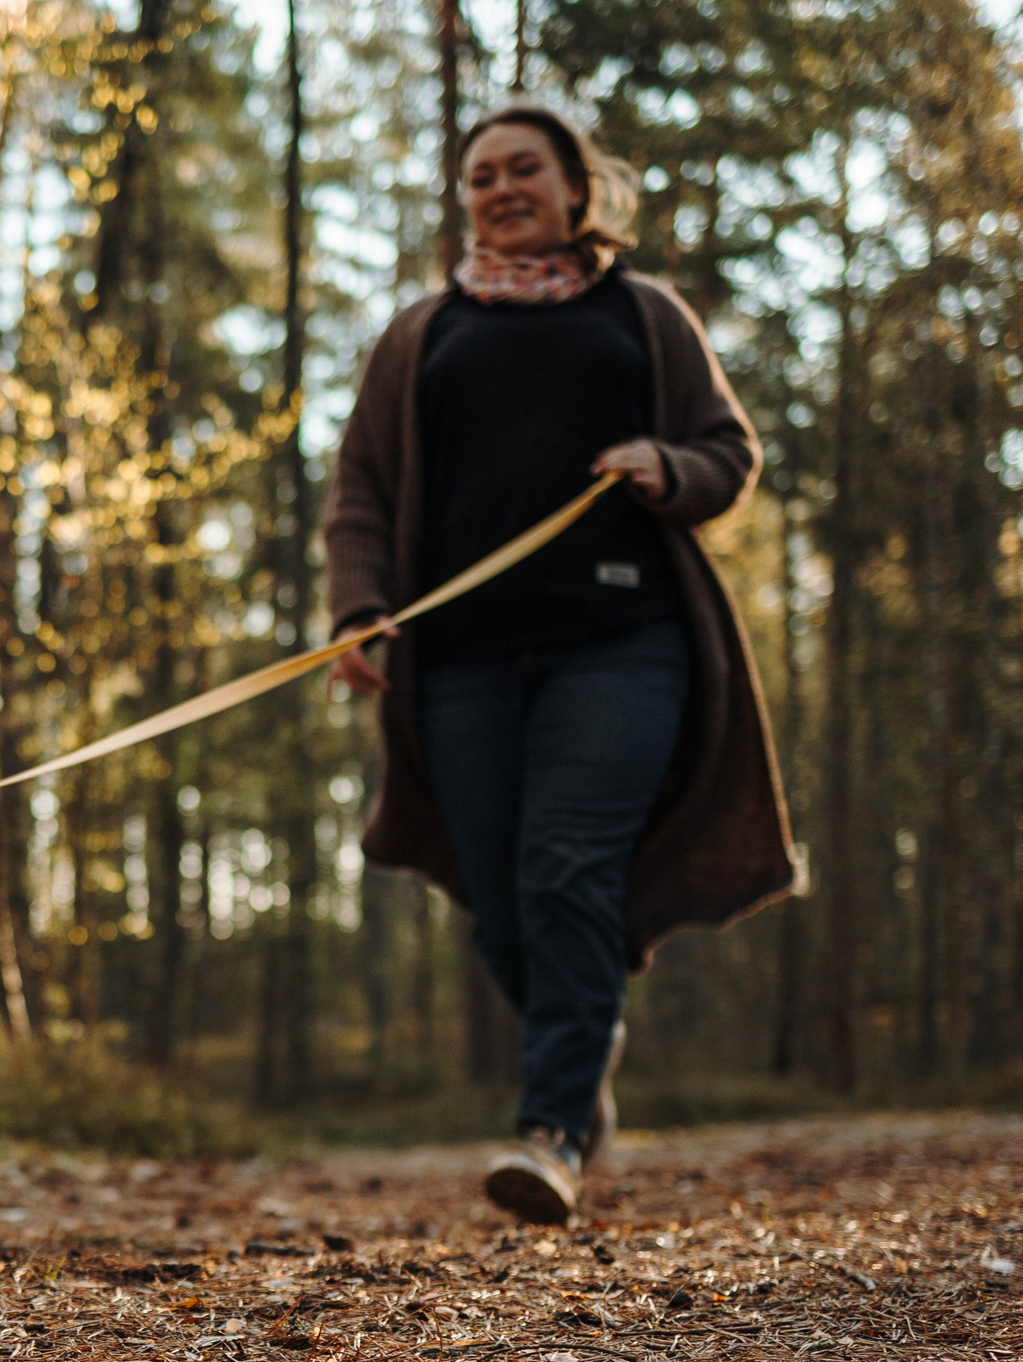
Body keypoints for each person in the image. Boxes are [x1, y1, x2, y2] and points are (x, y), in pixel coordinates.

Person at [323, 105, 794, 1225]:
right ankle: (582, 1071)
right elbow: (361, 492)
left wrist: (664, 464)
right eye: (479, 174)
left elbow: (731, 454)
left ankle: (550, 1130)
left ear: (576, 189)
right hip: (460, 663)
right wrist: (360, 610)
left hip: (622, 644)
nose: (499, 188)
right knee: (498, 899)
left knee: (564, 868)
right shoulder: (421, 332)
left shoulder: (643, 314)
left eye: (523, 168)